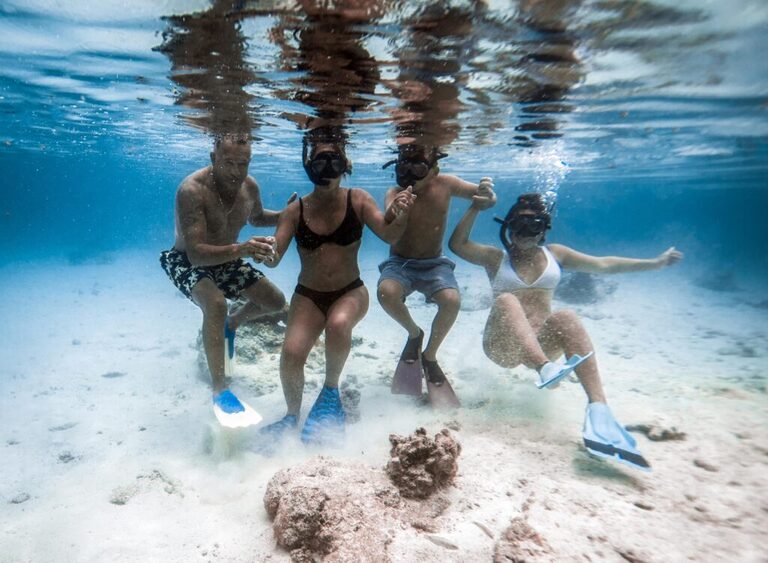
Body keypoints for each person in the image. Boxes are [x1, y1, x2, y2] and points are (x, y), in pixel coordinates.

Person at [448, 192, 683, 470]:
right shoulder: (495, 257)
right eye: (519, 226)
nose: (526, 234)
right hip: (504, 347)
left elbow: (605, 264)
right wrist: (476, 206)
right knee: (507, 300)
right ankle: (545, 368)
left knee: (567, 316)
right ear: (508, 227)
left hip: (542, 343)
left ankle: (599, 411)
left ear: (544, 229)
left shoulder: (555, 255)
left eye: (533, 226)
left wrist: (655, 263)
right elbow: (457, 244)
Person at [262, 129, 415, 445]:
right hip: (308, 295)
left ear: (345, 163)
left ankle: (330, 393)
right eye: (320, 160)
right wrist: (265, 250)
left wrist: (399, 214)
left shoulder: (357, 199)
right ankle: (292, 414)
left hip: (350, 291)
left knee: (339, 323)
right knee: (290, 354)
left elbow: (389, 234)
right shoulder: (295, 210)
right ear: (309, 166)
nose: (327, 167)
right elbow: (274, 258)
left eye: (334, 159)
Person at [160, 135, 288, 425]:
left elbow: (255, 218)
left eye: (242, 164)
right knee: (216, 305)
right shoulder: (191, 190)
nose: (236, 171)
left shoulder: (249, 186)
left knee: (276, 302)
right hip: (188, 260)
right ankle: (220, 387)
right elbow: (196, 255)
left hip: (227, 257)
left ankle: (234, 323)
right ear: (212, 158)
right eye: (228, 163)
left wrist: (286, 215)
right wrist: (242, 249)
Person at [377, 143, 496, 394]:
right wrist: (397, 208)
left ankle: (430, 355)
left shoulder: (447, 183)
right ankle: (414, 333)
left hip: (434, 263)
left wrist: (487, 195)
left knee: (451, 301)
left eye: (418, 169)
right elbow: (387, 216)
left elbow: (480, 195)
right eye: (404, 169)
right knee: (386, 292)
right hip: (400, 262)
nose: (410, 177)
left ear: (434, 170)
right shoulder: (394, 191)